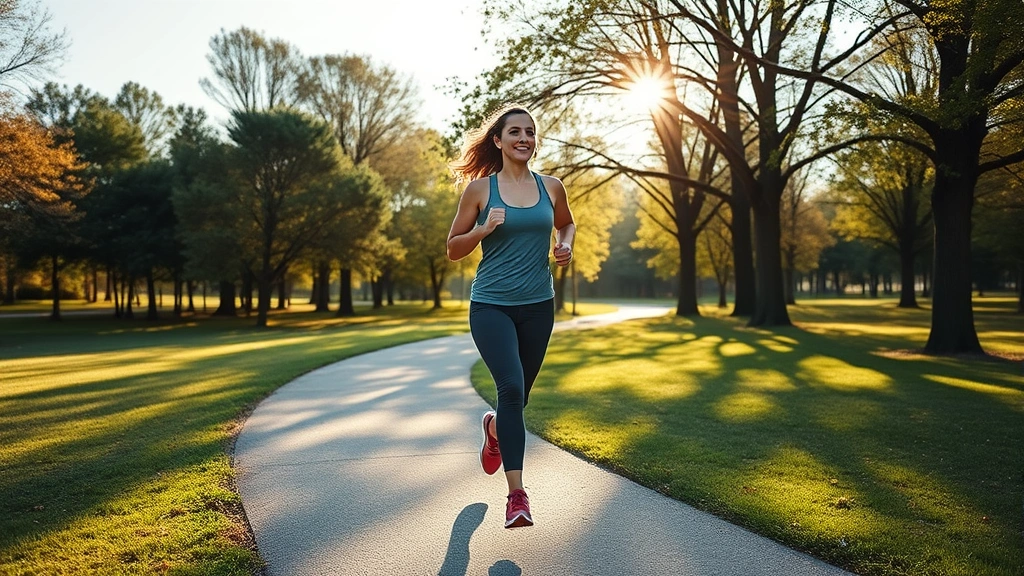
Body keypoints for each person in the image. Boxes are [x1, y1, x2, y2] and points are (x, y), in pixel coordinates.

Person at [446, 104, 575, 529]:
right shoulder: (480, 191)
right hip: (491, 306)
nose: (524, 138)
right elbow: (453, 247)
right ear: (498, 141)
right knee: (511, 387)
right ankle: (517, 498)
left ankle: (495, 430)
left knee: (517, 400)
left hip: (539, 306)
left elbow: (566, 224)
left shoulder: (552, 186)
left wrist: (564, 246)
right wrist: (482, 230)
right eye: (515, 132)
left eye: (530, 132)